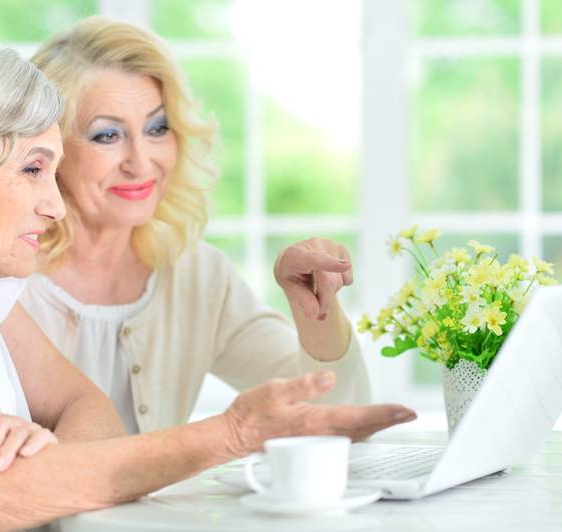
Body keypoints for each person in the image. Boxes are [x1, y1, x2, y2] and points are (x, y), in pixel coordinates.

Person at [0, 40, 415, 530]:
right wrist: (231, 434)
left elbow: (87, 407)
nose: (53, 205)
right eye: (32, 168)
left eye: (157, 129)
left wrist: (47, 457)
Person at [22, 16, 371, 434]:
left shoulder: (197, 276)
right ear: (49, 149)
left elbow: (341, 417)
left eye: (157, 128)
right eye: (107, 136)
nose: (141, 163)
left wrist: (315, 310)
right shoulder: (3, 281)